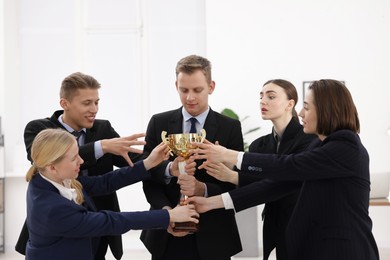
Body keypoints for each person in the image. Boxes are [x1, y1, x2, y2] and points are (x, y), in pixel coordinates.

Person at [189, 79, 380, 260]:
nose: (302, 114)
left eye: (306, 107)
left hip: (344, 250)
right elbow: (275, 186)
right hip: (315, 246)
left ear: (326, 110)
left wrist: (229, 155)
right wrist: (211, 203)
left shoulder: (345, 145)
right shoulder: (319, 147)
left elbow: (288, 165)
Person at [16, 72, 146, 259]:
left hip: (98, 227)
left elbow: (131, 161)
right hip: (56, 236)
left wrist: (167, 166)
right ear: (64, 104)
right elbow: (38, 160)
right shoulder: (38, 129)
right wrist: (102, 146)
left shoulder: (103, 128)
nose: (94, 109)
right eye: (87, 103)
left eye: (96, 102)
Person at [25, 128, 199, 260]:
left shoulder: (49, 178)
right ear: (52, 166)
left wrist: (149, 163)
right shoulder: (52, 209)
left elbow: (104, 182)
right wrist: (169, 215)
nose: (82, 161)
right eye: (73, 158)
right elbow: (111, 221)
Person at [140, 54, 244, 260]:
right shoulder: (158, 122)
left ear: (211, 86)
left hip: (214, 236)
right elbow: (147, 176)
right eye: (184, 90)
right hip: (166, 235)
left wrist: (202, 189)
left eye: (197, 90)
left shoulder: (229, 127)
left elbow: (235, 182)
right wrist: (166, 213)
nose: (190, 97)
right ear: (176, 85)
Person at [204, 79, 317, 260]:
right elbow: (257, 185)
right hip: (274, 222)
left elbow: (285, 176)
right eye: (261, 96)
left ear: (290, 104)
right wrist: (228, 169)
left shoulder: (310, 140)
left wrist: (233, 174)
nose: (263, 101)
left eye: (271, 96)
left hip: (303, 222)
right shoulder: (259, 145)